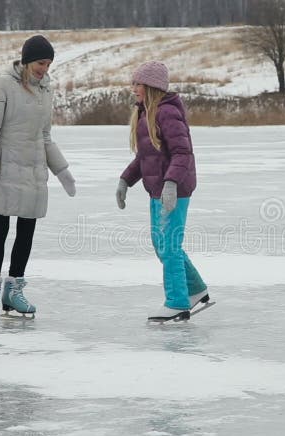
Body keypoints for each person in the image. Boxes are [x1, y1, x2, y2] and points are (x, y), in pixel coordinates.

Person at [0, 35, 76, 317]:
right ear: (26, 60)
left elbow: (44, 137)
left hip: (34, 174)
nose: (44, 68)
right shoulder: (3, 85)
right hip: (5, 172)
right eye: (40, 63)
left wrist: (62, 170)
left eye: (48, 64)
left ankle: (13, 291)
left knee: (26, 233)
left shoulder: (46, 91)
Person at [115, 61, 209, 322]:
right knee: (163, 245)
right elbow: (145, 158)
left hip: (174, 189)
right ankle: (196, 289)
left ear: (151, 87)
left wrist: (171, 183)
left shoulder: (166, 113)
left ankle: (178, 302)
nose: (133, 88)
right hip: (158, 189)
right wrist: (125, 180)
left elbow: (182, 152)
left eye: (137, 84)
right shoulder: (145, 113)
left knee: (169, 246)